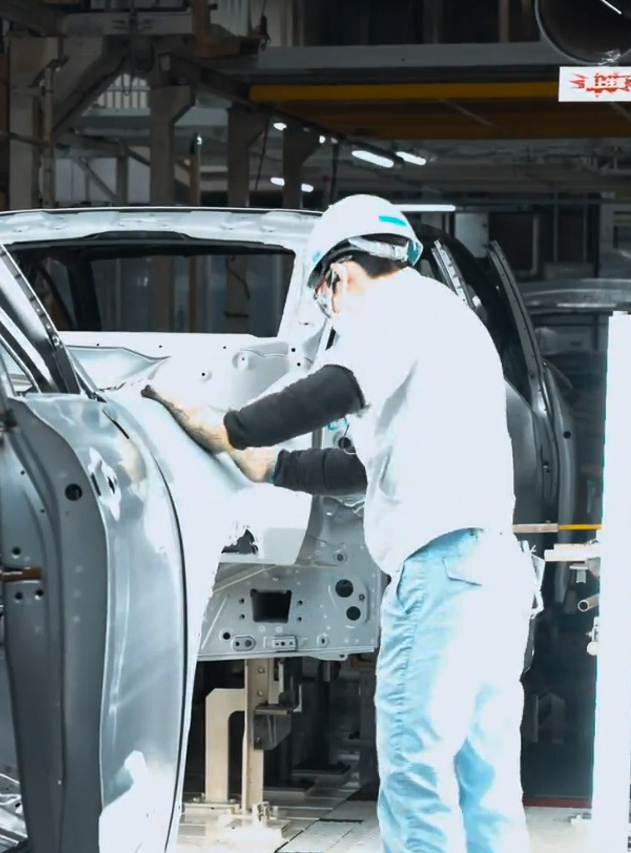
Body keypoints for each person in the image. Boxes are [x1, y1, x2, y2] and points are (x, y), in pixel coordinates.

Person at [142, 194, 537, 853]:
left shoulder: (397, 309)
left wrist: (228, 426)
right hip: (490, 569)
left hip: (440, 568)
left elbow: (332, 389)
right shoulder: (447, 320)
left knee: (413, 763)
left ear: (339, 274)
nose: (331, 311)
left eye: (323, 296)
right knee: (483, 774)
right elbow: (360, 467)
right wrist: (272, 466)